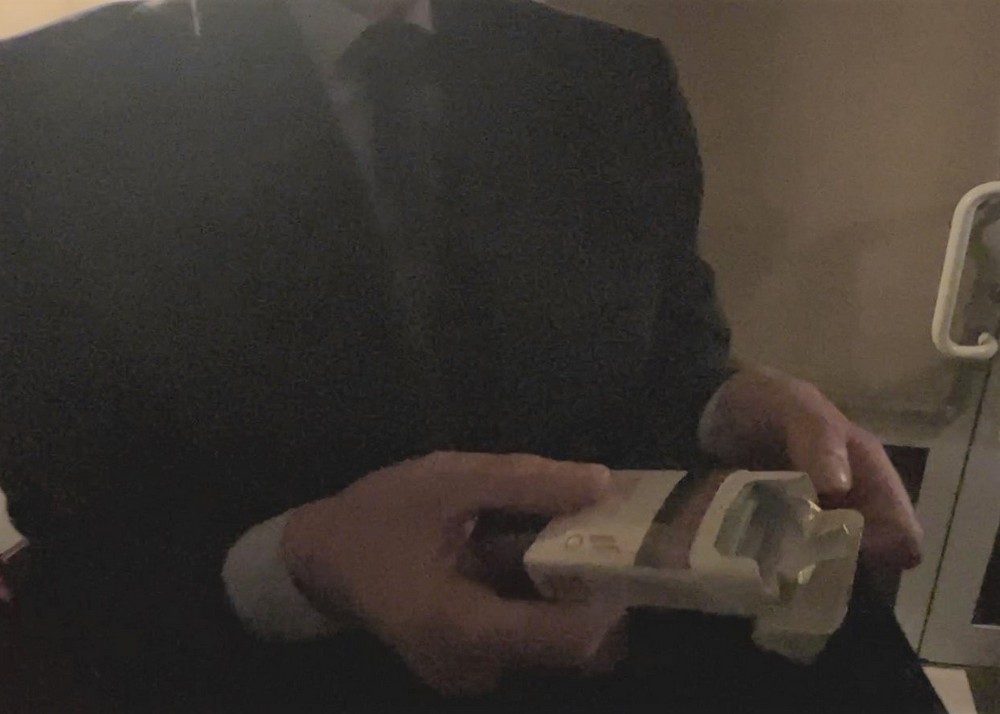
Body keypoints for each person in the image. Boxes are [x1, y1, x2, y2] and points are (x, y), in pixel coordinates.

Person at [0, 0, 927, 710]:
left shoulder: (614, 76)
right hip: (264, 676)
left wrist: (735, 406)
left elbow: (671, 359)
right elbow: (80, 535)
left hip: (646, 652)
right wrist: (304, 561)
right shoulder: (35, 112)